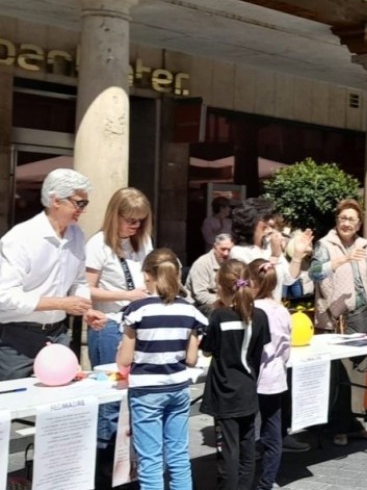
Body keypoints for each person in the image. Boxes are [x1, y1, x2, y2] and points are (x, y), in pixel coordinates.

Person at [0, 168, 106, 381]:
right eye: (79, 203)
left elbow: (78, 281)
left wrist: (85, 309)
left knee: (64, 407)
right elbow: (4, 296)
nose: (83, 210)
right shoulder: (20, 238)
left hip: (58, 333)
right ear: (56, 201)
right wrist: (61, 303)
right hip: (17, 337)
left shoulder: (76, 234)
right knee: (12, 407)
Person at [117, 248, 206, 490]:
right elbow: (191, 358)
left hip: (146, 391)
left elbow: (125, 359)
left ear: (147, 275)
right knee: (178, 456)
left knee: (150, 461)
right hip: (177, 387)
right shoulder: (189, 310)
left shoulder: (136, 310)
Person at [309, 198, 367, 446]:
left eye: (351, 219)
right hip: (335, 320)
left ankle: (356, 424)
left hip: (361, 317)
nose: (346, 223)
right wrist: (337, 262)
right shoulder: (325, 245)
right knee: (339, 376)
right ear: (337, 221)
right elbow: (314, 273)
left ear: (359, 224)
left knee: (359, 375)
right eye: (342, 218)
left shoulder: (364, 245)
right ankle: (337, 427)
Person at [85, 187, 154, 453]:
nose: (135, 226)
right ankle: (104, 458)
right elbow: (87, 289)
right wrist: (127, 294)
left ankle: (125, 461)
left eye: (140, 221)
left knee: (134, 395)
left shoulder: (143, 241)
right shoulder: (98, 244)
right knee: (110, 398)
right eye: (130, 220)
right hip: (110, 324)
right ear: (115, 216)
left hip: (139, 324)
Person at [200, 259, 271, 490]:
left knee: (228, 452)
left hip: (224, 390)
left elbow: (208, 348)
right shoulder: (259, 315)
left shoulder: (218, 316)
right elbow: (259, 352)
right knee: (247, 447)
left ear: (221, 286)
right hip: (248, 387)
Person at [247, 259, 291, 490]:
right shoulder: (282, 310)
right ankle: (268, 480)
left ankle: (242, 477)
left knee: (247, 430)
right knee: (273, 430)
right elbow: (286, 347)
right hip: (275, 377)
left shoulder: (251, 311)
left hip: (253, 376)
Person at [230, 197, 312, 301]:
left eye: (271, 217)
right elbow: (257, 284)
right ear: (251, 221)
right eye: (266, 218)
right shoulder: (238, 252)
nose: (272, 222)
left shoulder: (269, 245)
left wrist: (298, 253)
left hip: (273, 309)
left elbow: (289, 279)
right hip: (254, 311)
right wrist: (275, 256)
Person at [184, 233, 234, 316]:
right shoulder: (202, 264)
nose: (226, 253)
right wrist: (225, 301)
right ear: (214, 248)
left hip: (225, 303)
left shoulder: (232, 262)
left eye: (229, 250)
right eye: (223, 249)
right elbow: (200, 295)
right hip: (198, 307)